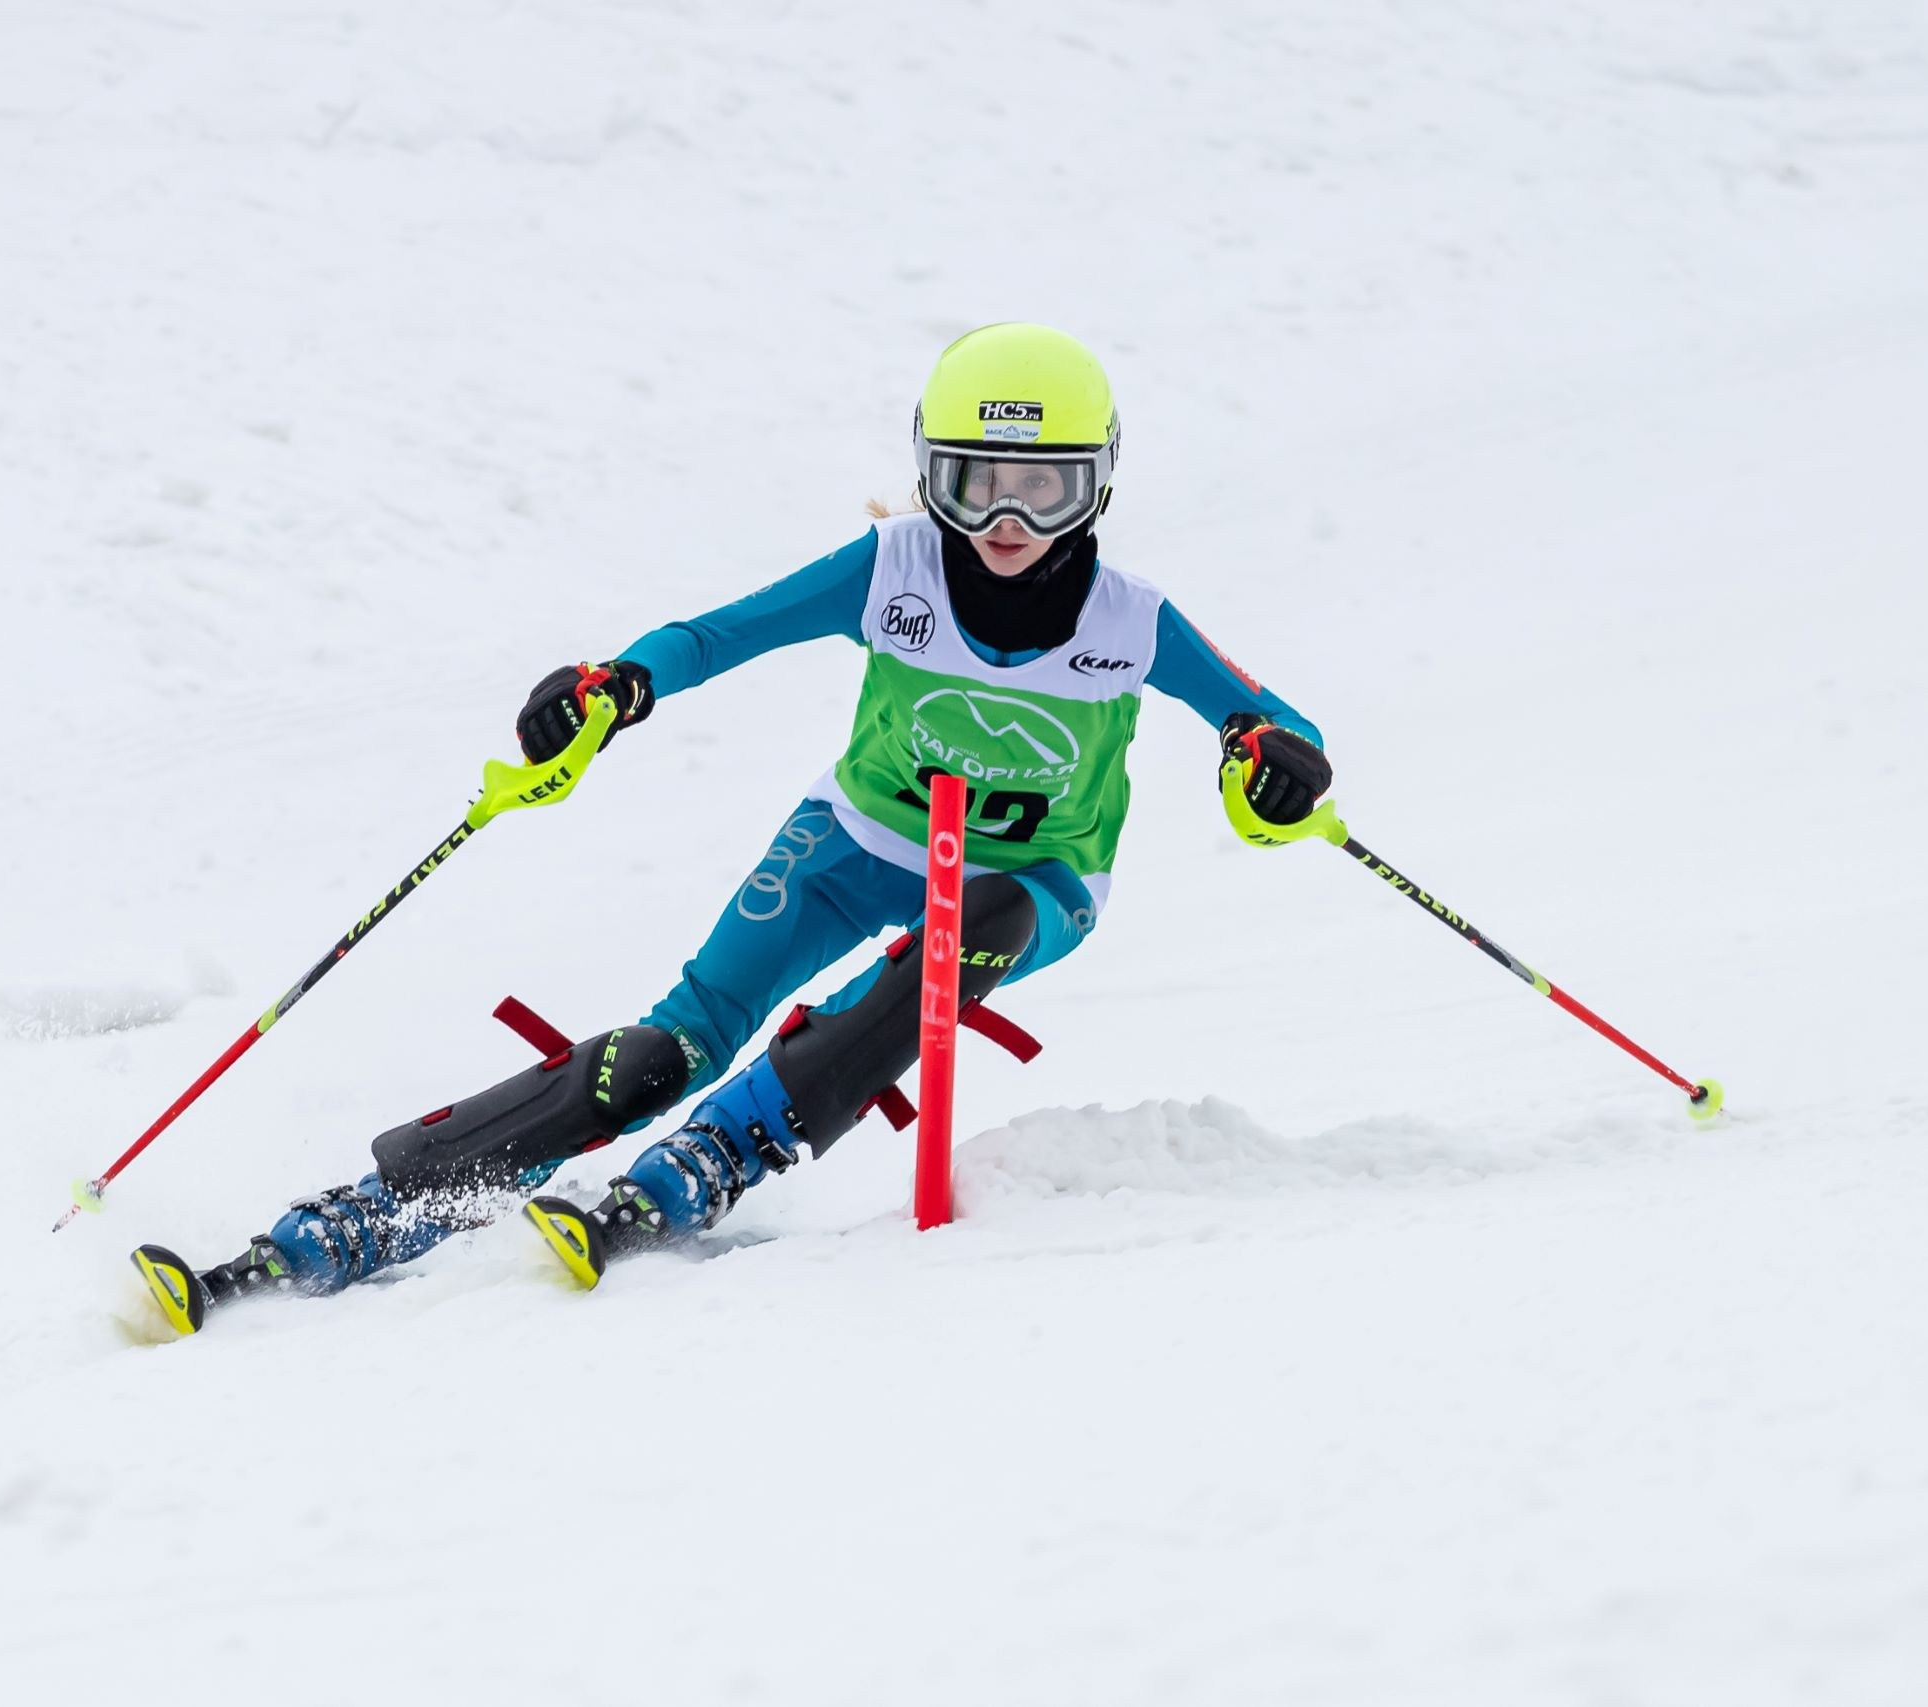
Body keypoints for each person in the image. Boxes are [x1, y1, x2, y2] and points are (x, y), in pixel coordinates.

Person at [131, 322, 1335, 1333]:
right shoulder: (893, 570)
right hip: (857, 840)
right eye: (976, 483)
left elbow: (1262, 721)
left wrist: (1271, 762)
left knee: (962, 939)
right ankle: (375, 1208)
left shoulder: (1130, 620)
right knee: (670, 1045)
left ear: (1096, 485)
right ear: (930, 476)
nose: (1006, 520)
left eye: (1043, 488)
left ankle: (723, 1154)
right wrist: (613, 690)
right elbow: (716, 635)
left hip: (1042, 875)